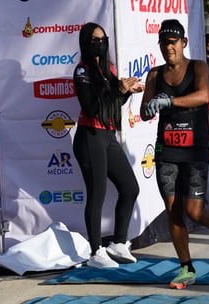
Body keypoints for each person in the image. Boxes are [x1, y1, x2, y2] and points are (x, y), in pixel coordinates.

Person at [141, 19, 209, 289]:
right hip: (166, 149)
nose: (168, 48)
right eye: (164, 43)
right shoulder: (155, 75)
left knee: (193, 211)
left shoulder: (198, 67)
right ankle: (186, 268)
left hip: (194, 149)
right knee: (173, 211)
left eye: (173, 42)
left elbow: (203, 95)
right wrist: (148, 109)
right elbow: (145, 109)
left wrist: (169, 101)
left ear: (182, 43)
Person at [72, 22, 143, 268]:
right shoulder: (82, 71)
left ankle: (118, 243)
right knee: (97, 194)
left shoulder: (108, 68)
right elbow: (91, 108)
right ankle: (95, 252)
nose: (100, 43)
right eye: (94, 39)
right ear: (85, 42)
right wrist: (117, 90)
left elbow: (113, 105)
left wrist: (127, 91)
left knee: (130, 188)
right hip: (89, 137)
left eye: (103, 39)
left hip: (107, 136)